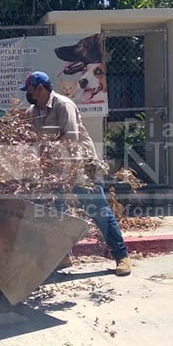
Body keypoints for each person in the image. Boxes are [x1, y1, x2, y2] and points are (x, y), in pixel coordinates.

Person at [19, 71, 132, 276]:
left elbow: (70, 140)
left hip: (80, 166)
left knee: (97, 209)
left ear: (41, 88)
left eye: (30, 90)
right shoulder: (32, 112)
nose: (28, 95)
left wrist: (48, 155)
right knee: (55, 213)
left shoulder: (63, 105)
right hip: (55, 170)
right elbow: (30, 141)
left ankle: (121, 256)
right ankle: (63, 256)